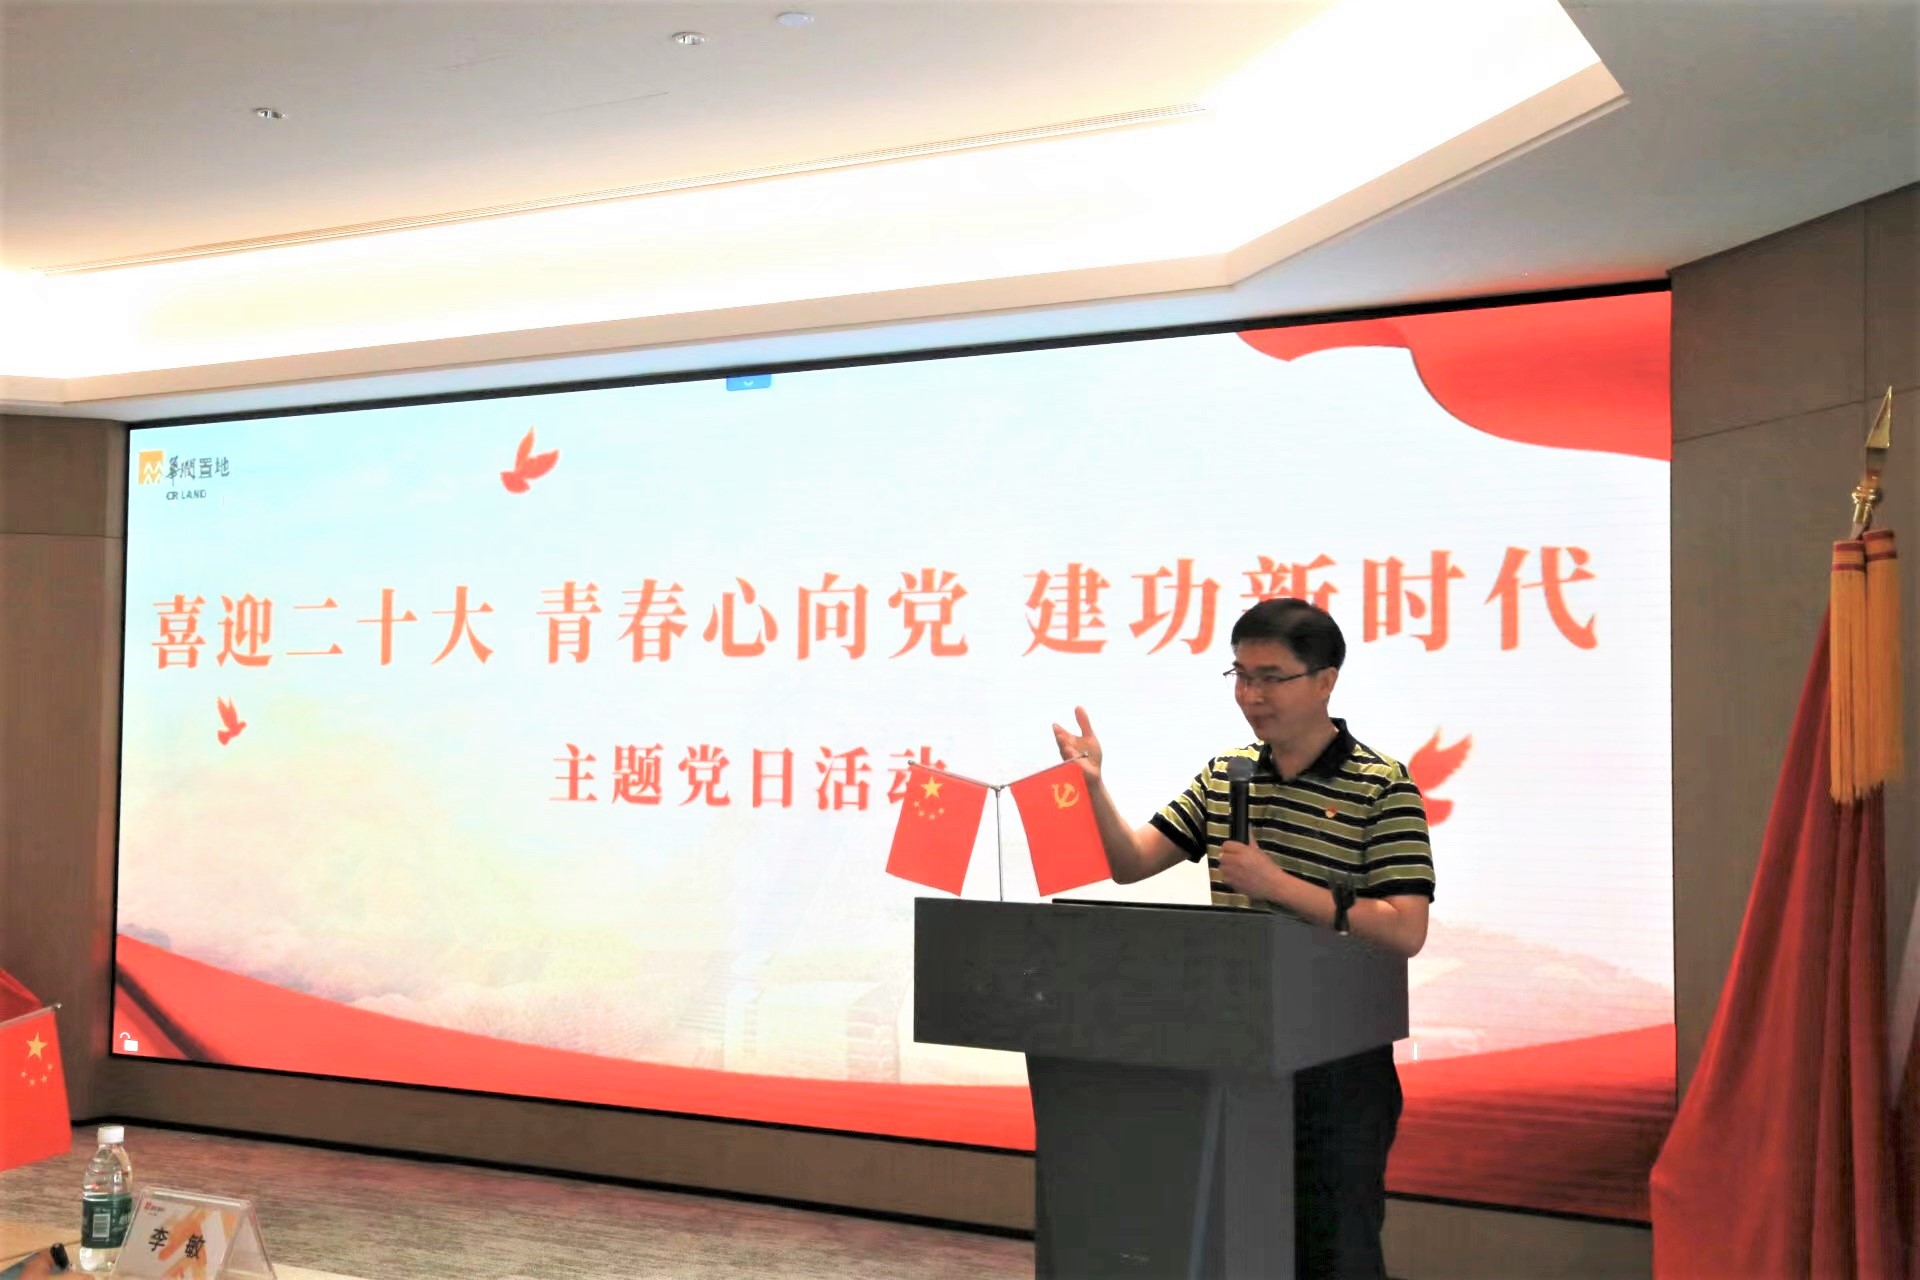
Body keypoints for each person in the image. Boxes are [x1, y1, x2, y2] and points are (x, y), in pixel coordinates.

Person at [1051, 595, 1434, 1280]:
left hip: (1338, 1059)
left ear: (1325, 680)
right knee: (1237, 1239)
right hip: (1236, 1047)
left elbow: (1405, 927)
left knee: (1334, 1247)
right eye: (1241, 676)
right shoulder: (1227, 774)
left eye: (1271, 678)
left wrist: (1278, 883)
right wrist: (1092, 788)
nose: (1252, 696)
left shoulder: (1382, 785)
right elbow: (1131, 863)